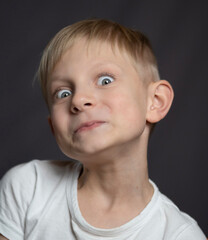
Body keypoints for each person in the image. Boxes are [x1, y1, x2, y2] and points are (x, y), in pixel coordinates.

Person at [0, 19, 206, 240]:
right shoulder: (27, 188)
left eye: (105, 80)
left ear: (155, 101)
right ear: (53, 127)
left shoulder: (179, 235)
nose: (78, 100)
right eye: (63, 93)